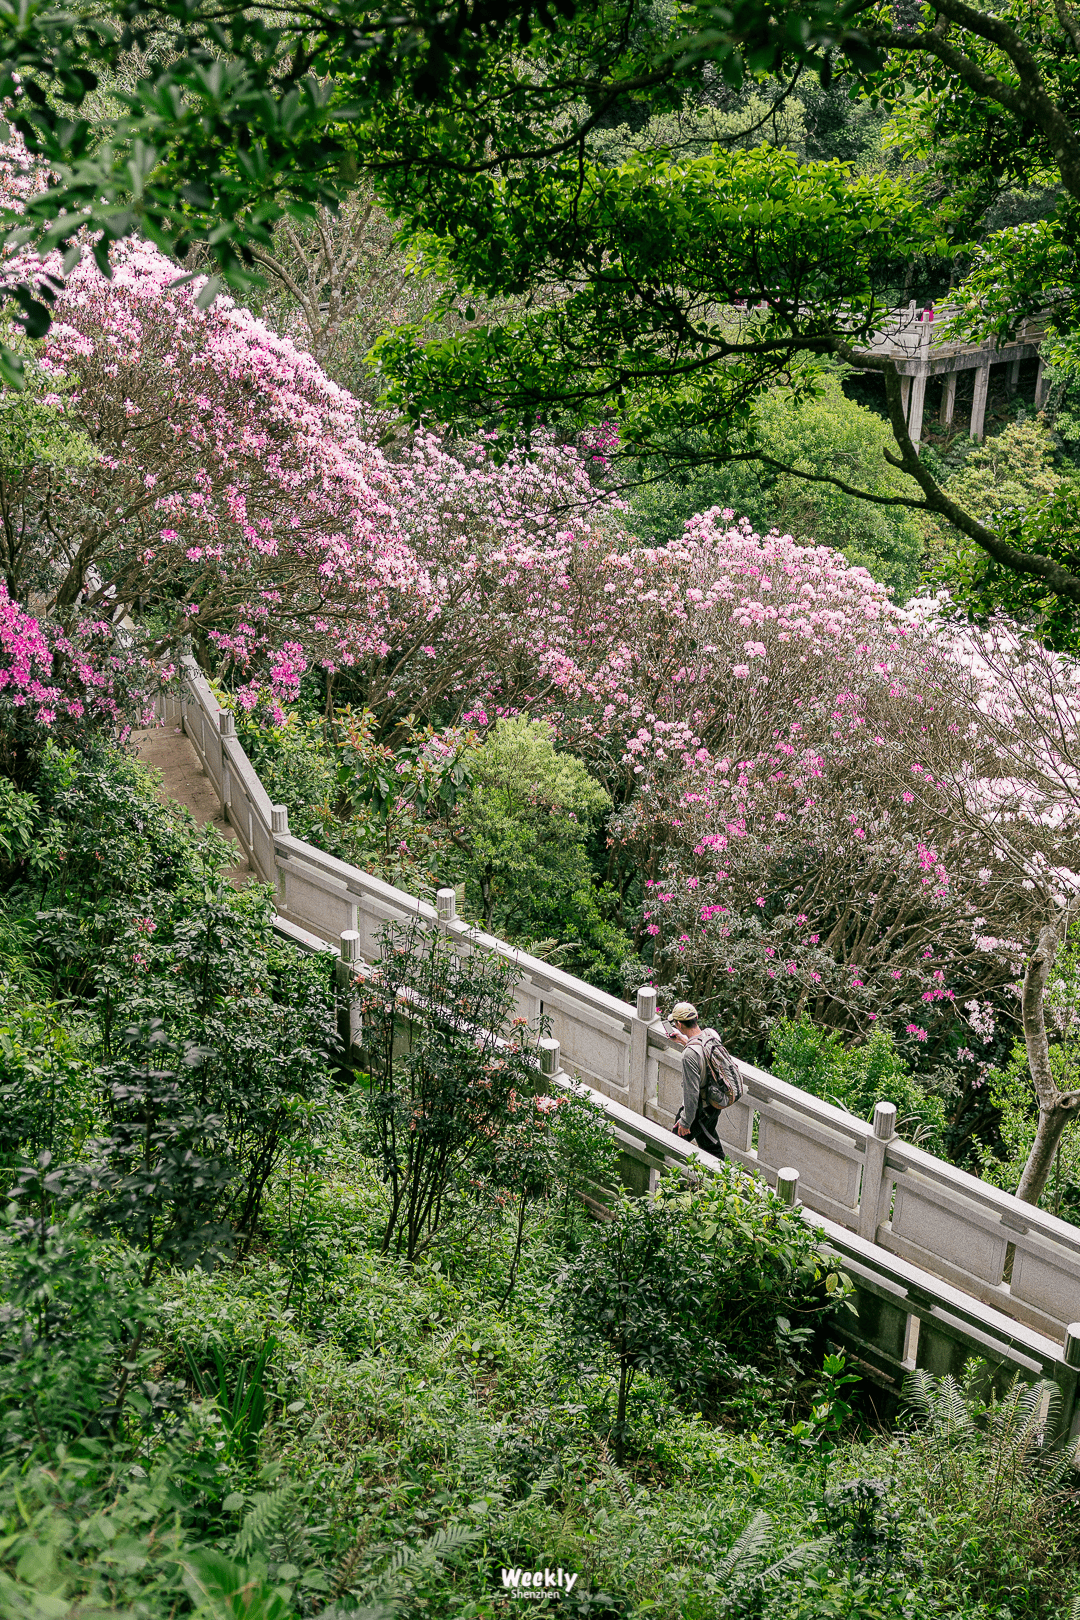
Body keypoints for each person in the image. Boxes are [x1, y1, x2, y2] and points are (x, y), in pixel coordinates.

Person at [668, 1001, 724, 1159]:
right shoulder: (711, 1035)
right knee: (709, 1142)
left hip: (700, 1109)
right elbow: (705, 1057)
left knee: (673, 1144)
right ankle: (723, 1180)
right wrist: (682, 1040)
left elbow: (691, 1093)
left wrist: (685, 1122)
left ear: (679, 1024)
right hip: (715, 1102)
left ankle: (667, 1183)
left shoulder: (689, 1055)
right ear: (696, 1018)